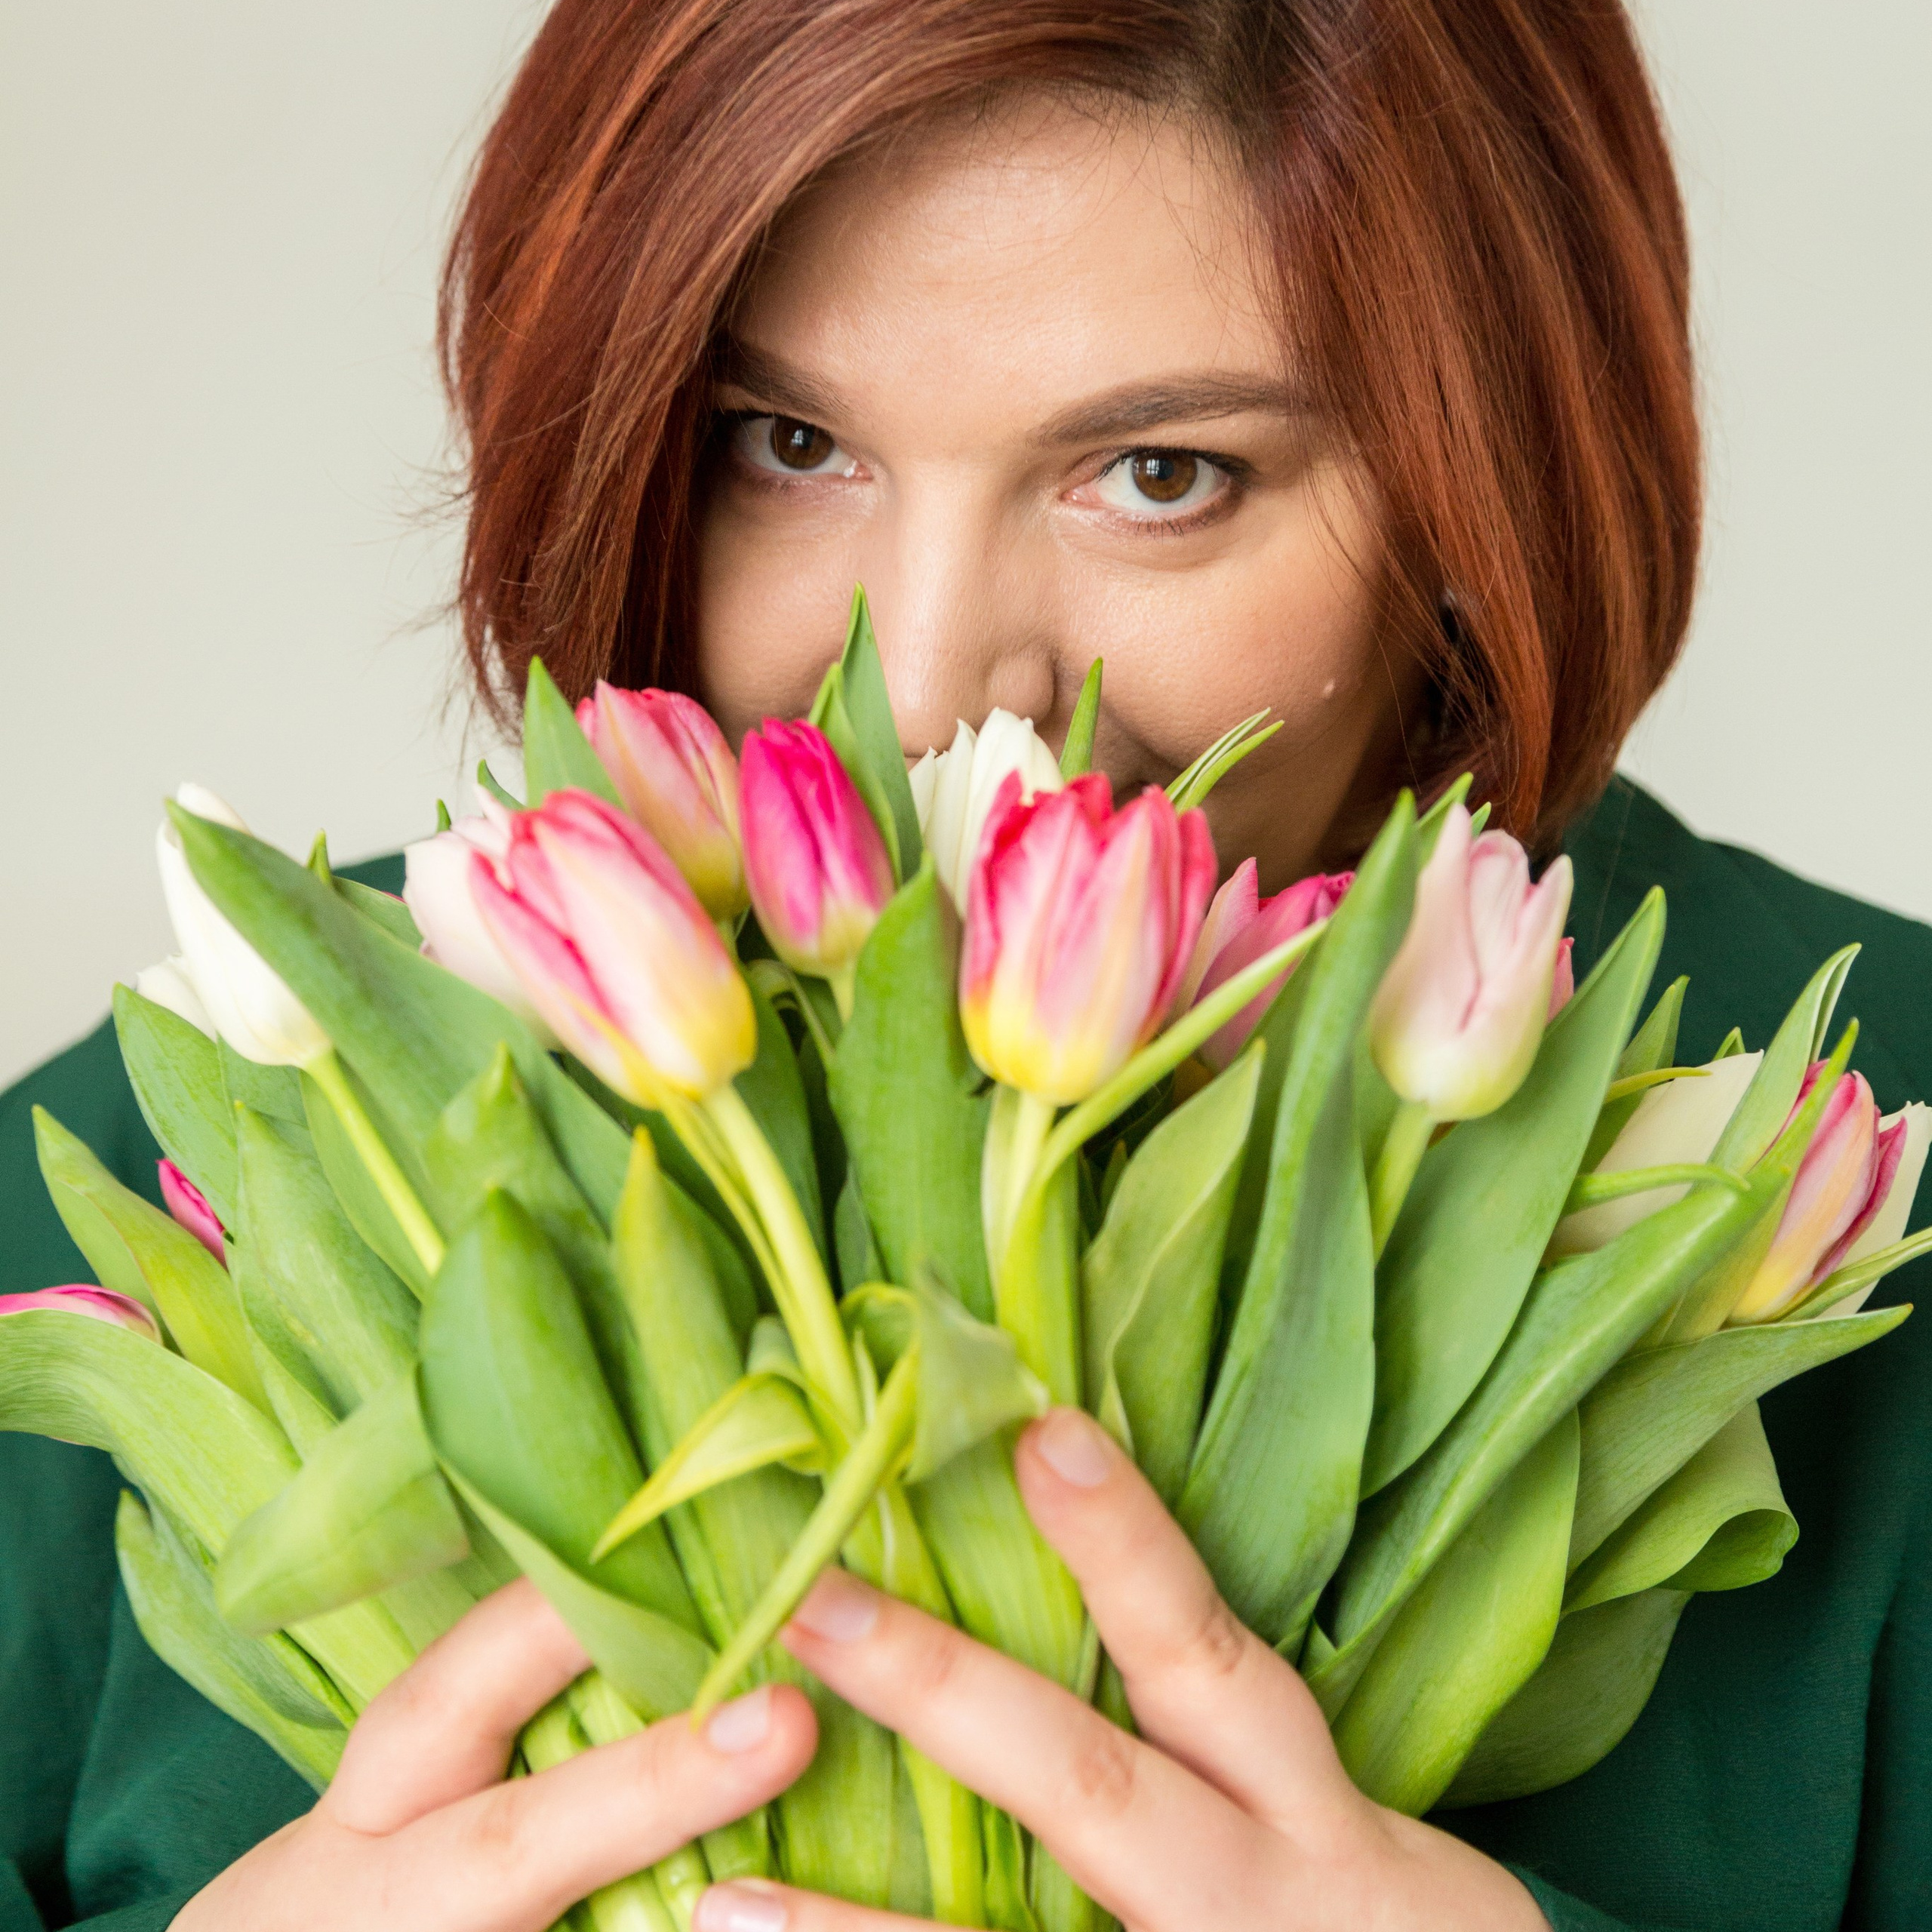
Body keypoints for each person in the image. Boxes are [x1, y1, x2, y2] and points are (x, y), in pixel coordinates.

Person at [3, 3, 1928, 1928]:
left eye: (1163, 473)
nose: (924, 689)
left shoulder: (1853, 1122)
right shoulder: (158, 1177)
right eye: (782, 442)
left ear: (1474, 487)